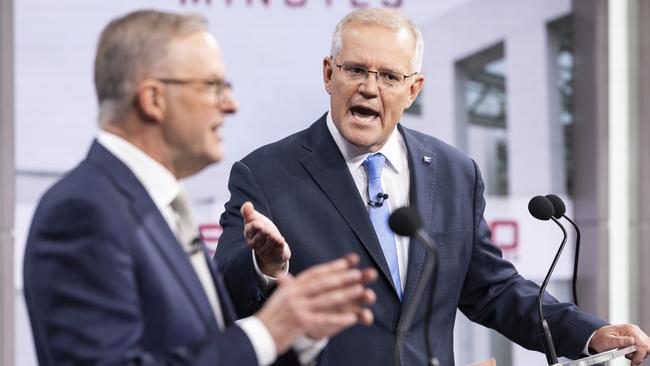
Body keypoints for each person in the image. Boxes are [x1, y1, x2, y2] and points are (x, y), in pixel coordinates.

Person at [215, 7, 650, 366]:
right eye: (355, 70)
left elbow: (491, 288)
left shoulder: (455, 172)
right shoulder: (266, 174)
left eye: (389, 76)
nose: (369, 87)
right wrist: (264, 269)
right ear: (329, 74)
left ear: (413, 89)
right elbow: (222, 300)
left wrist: (590, 334)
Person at [23, 10, 377, 366]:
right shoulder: (84, 212)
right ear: (154, 99)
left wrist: (296, 334)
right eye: (213, 86)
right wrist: (263, 333)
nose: (230, 105)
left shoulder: (156, 206)